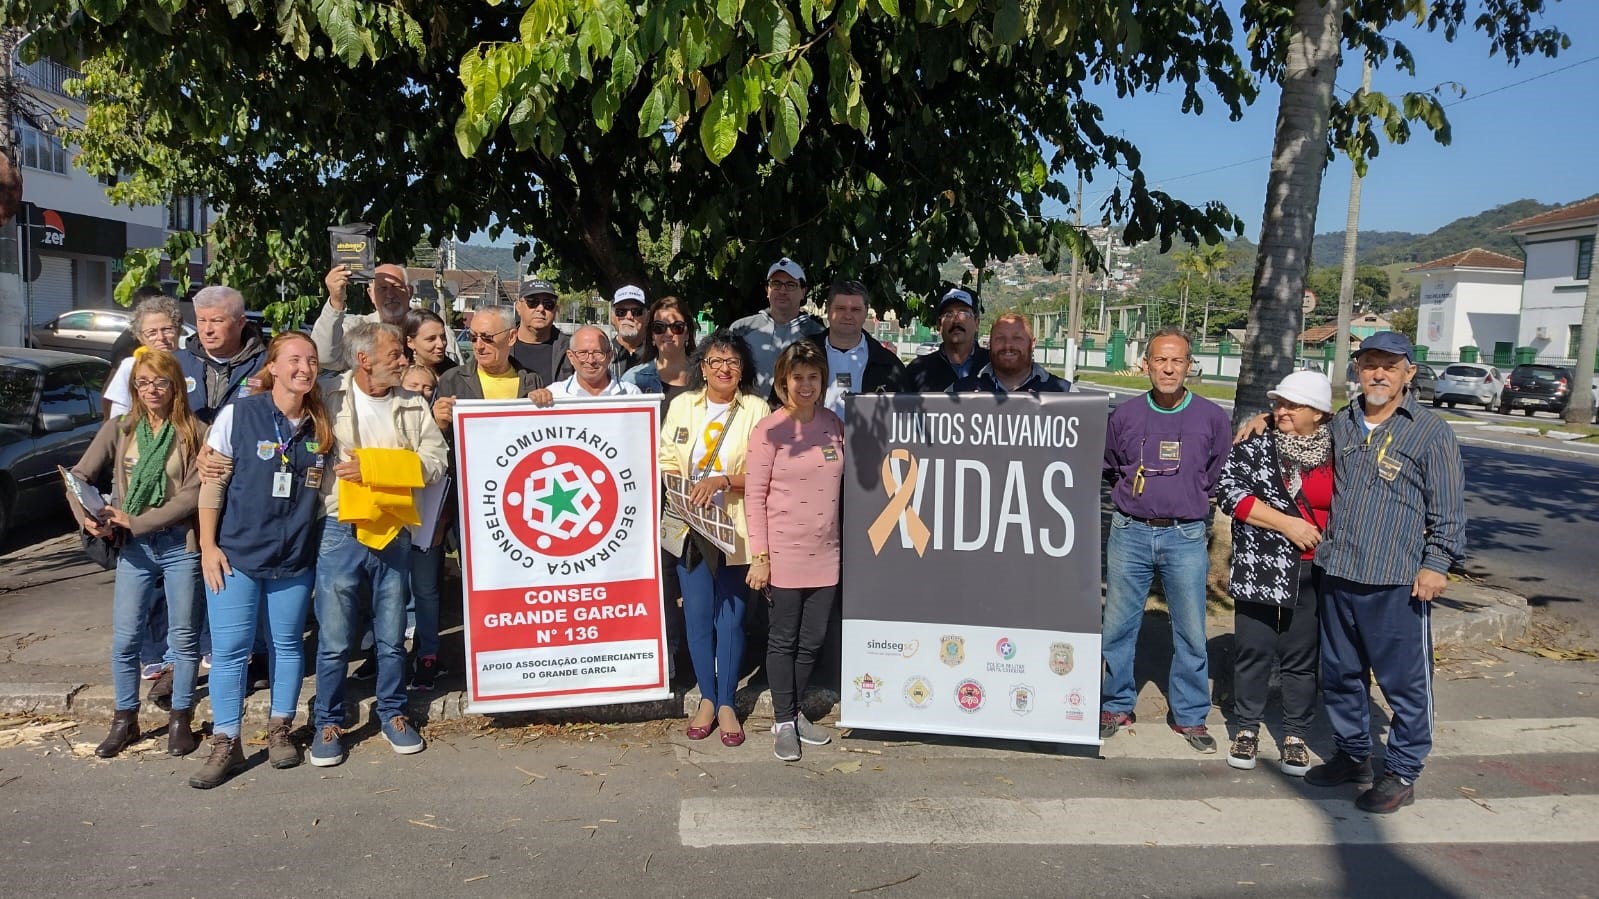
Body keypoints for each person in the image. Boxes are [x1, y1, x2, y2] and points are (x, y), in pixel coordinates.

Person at [1305, 332, 1465, 814]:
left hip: (1397, 580)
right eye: (1370, 364)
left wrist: (1437, 563)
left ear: (1409, 374)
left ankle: (1402, 770)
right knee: (1340, 674)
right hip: (1339, 569)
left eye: (1389, 367)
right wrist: (1263, 418)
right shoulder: (1343, 424)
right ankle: (1353, 755)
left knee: (1405, 682)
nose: (1378, 374)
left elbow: (1449, 508)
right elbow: (1296, 435)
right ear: (1357, 369)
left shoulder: (1431, 431)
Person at [191, 332, 334, 788]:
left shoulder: (321, 425)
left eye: (311, 361)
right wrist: (209, 547)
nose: (304, 369)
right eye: (293, 360)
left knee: (287, 646)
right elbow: (211, 484)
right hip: (236, 555)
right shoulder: (240, 414)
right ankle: (227, 740)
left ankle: (279, 729)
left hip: (293, 557)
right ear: (272, 366)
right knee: (231, 652)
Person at [308, 322, 449, 767]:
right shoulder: (328, 396)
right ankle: (327, 721)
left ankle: (393, 712)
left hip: (394, 529)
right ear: (363, 359)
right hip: (340, 527)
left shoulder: (413, 404)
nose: (404, 359)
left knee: (391, 636)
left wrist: (373, 467)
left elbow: (436, 463)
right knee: (333, 638)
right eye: (393, 354)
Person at [1099, 328, 1232, 753]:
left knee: (1191, 629)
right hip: (1130, 533)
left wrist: (1181, 496)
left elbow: (1214, 473)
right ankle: (1116, 704)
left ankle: (1190, 715)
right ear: (1146, 365)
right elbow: (1110, 466)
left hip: (1185, 535)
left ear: (1189, 365)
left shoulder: (1211, 417)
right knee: (1119, 626)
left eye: (1177, 361)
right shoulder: (1125, 415)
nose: (1169, 368)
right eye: (1160, 360)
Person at [70, 349, 207, 758]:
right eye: (143, 383)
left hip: (178, 544)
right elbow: (78, 476)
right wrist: (88, 516)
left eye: (160, 382)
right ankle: (124, 718)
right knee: (126, 638)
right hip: (135, 550)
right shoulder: (121, 427)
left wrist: (138, 520)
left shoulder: (195, 431)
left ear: (175, 387)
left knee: (183, 638)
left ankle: (180, 718)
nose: (151, 390)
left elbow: (193, 495)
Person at [1215, 370, 1333, 776]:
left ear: (1318, 413)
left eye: (1291, 405)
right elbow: (1230, 493)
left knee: (1301, 658)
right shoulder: (1256, 446)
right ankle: (1246, 728)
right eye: (1277, 404)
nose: (1280, 411)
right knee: (1254, 650)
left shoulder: (1339, 450)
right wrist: (1287, 524)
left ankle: (1295, 735)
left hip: (1313, 570)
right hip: (1260, 564)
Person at [658, 330, 768, 746]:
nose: (724, 369)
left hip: (736, 526)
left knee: (733, 617)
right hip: (689, 526)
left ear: (743, 370)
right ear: (702, 368)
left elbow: (764, 469)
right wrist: (685, 487)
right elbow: (665, 456)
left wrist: (724, 481)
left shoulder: (756, 409)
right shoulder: (683, 405)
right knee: (698, 616)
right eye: (715, 362)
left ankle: (726, 703)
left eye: (733, 362)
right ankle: (706, 696)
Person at [744, 341, 845, 761]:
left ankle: (798, 710)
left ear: (822, 381)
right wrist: (761, 557)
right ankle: (783, 720)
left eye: (813, 377)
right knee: (783, 640)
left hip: (826, 552)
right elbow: (754, 495)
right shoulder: (769, 429)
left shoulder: (834, 424)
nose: (805, 385)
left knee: (812, 640)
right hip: (782, 552)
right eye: (796, 377)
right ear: (782, 381)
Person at [318, 262, 460, 372]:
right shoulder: (356, 330)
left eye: (396, 287)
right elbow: (325, 358)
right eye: (382, 288)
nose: (390, 295)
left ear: (409, 291)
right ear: (371, 294)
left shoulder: (441, 334)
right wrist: (336, 300)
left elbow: (460, 380)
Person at [794, 279, 906, 417]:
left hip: (868, 438)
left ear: (866, 313)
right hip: (811, 437)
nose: (848, 316)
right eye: (840, 309)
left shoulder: (888, 365)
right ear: (828, 311)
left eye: (855, 310)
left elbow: (904, 417)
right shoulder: (800, 354)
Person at [434, 305, 549, 430]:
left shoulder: (532, 381)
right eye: (473, 337)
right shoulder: (452, 380)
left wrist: (546, 406)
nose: (478, 346)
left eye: (487, 338)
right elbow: (439, 442)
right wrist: (440, 424)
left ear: (511, 337)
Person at [729, 257, 825, 395]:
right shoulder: (741, 329)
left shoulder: (816, 333)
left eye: (791, 284)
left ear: (803, 291)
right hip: (750, 414)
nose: (782, 291)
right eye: (776, 284)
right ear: (767, 290)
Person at [179, 285, 268, 424]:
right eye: (201, 320)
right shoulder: (176, 363)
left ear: (240, 322)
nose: (207, 330)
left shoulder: (266, 366)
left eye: (217, 321)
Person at [103, 289, 182, 419]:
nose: (161, 337)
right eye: (152, 332)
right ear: (140, 337)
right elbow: (118, 417)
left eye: (167, 329)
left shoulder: (193, 364)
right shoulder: (130, 366)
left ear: (179, 330)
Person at [950, 313, 1071, 394]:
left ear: (1033, 343)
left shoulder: (1065, 394)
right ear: (990, 343)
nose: (1008, 345)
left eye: (1017, 338)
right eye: (1000, 338)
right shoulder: (959, 392)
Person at [905, 288, 989, 392]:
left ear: (977, 322)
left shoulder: (993, 364)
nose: (956, 320)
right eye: (948, 315)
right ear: (939, 325)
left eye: (964, 313)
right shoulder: (917, 370)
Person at [621, 295, 698, 407]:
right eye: (659, 327)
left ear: (687, 334)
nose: (668, 334)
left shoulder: (706, 376)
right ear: (652, 335)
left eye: (677, 327)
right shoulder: (632, 380)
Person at [539, 325, 644, 399]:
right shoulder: (554, 395)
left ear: (609, 356)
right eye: (582, 353)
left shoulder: (631, 394)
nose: (591, 360)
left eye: (598, 353)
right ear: (571, 357)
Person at [508, 279, 574, 385]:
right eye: (532, 302)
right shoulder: (501, 345)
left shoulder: (570, 349)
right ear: (518, 307)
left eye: (548, 304)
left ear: (555, 310)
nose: (541, 308)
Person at [608, 285, 651, 380]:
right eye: (621, 312)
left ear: (647, 317)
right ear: (613, 318)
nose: (629, 316)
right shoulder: (602, 353)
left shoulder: (658, 353)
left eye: (636, 311)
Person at [404, 308, 458, 377]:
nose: (441, 344)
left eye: (443, 337)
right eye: (431, 339)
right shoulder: (400, 376)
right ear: (410, 342)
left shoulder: (454, 375)